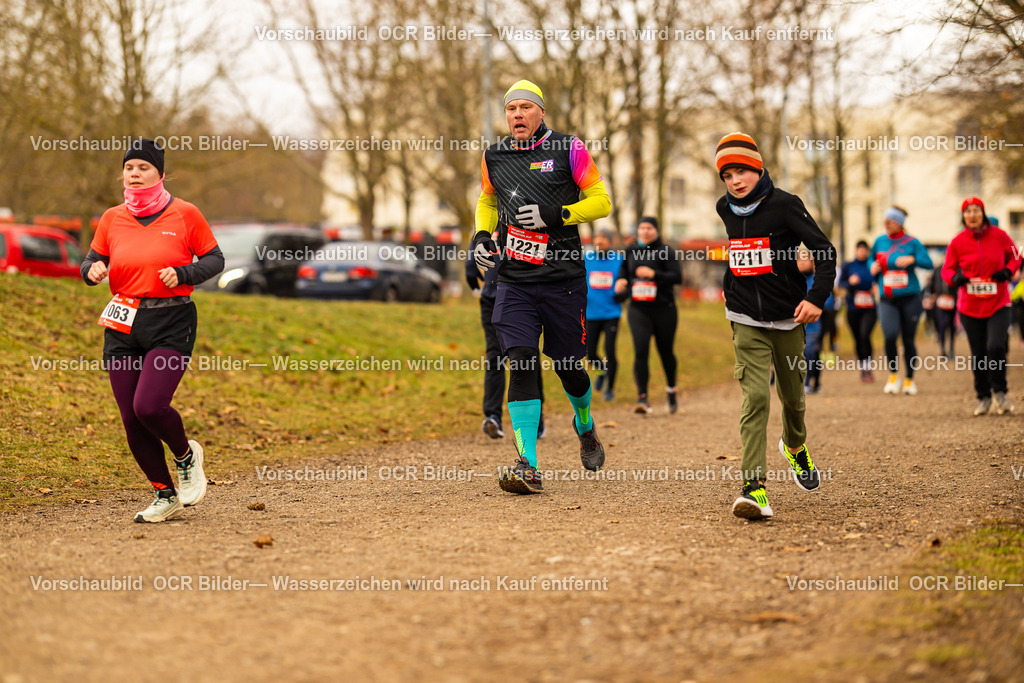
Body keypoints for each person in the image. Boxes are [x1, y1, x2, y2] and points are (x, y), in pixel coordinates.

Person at [473, 79, 612, 494]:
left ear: (541, 112)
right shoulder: (493, 155)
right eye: (511, 108)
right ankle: (527, 465)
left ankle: (584, 423)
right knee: (521, 359)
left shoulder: (570, 149)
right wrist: (482, 235)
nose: (517, 114)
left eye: (525, 107)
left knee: (570, 367)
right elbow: (488, 199)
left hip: (563, 280)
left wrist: (558, 213)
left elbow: (601, 200)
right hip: (514, 280)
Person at [81, 138, 224, 523]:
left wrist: (183, 273)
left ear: (160, 174)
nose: (135, 174)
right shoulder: (112, 217)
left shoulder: (185, 213)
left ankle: (186, 456)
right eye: (129, 168)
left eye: (144, 168)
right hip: (123, 323)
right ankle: (164, 494)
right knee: (130, 416)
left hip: (172, 321)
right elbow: (94, 258)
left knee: (149, 407)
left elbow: (215, 259)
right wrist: (91, 270)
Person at [714, 132, 836, 520]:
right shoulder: (726, 208)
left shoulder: (786, 205)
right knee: (756, 399)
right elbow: (739, 250)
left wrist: (816, 298)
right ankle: (754, 488)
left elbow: (824, 251)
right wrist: (729, 287)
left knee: (793, 399)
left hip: (789, 318)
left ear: (758, 167)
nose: (735, 180)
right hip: (745, 317)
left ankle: (795, 446)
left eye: (742, 171)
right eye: (727, 174)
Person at [941, 197, 1022, 416]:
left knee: (996, 346)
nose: (972, 215)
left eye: (976, 210)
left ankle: (1001, 393)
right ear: (963, 216)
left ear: (983, 214)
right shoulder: (957, 242)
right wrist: (955, 278)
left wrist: (1007, 271)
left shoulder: (1000, 235)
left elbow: (1016, 256)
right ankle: (984, 397)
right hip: (970, 307)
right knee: (979, 353)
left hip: (998, 303)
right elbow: (946, 270)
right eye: (968, 211)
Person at [465, 246, 546, 439]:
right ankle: (493, 416)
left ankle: (536, 416)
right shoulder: (487, 222)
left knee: (526, 356)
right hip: (492, 298)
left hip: (523, 299)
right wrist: (471, 267)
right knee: (495, 356)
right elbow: (476, 245)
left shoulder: (524, 220)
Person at [614, 217, 682, 414]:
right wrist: (621, 282)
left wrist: (654, 274)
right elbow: (624, 273)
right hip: (638, 309)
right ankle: (642, 398)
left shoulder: (666, 251)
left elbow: (677, 277)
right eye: (642, 228)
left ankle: (671, 390)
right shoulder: (630, 250)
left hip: (664, 309)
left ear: (657, 230)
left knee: (665, 352)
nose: (645, 231)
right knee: (641, 351)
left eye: (649, 228)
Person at [870, 206, 933, 395]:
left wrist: (912, 259)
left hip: (910, 298)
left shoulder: (912, 242)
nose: (886, 224)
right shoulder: (880, 241)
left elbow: (928, 263)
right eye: (885, 221)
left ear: (899, 223)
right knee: (889, 335)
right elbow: (871, 260)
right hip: (887, 298)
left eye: (889, 221)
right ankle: (893, 375)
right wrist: (872, 266)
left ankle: (909, 379)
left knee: (908, 339)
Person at [584, 229, 624, 401]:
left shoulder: (619, 260)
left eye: (603, 239)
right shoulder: (587, 259)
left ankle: (610, 390)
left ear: (611, 241)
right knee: (590, 353)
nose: (599, 242)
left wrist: (622, 293)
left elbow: (626, 282)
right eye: (597, 239)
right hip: (591, 314)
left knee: (610, 350)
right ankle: (602, 371)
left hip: (611, 313)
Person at [838, 240, 879, 382]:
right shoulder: (849, 266)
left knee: (865, 334)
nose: (862, 252)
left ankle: (868, 368)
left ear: (868, 251)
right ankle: (863, 368)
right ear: (856, 251)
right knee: (857, 338)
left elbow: (880, 280)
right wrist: (850, 282)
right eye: (859, 249)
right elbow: (840, 283)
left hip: (870, 308)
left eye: (864, 249)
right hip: (853, 308)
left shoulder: (872, 265)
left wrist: (876, 287)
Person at [798, 250, 834, 394]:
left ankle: (809, 382)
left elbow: (829, 302)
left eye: (805, 259)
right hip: (794, 325)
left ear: (812, 263)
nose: (801, 262)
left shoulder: (817, 281)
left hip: (814, 325)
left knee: (810, 352)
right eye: (799, 260)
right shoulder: (791, 280)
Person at [928, 268, 958, 359]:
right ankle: (943, 349)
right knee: (941, 324)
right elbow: (931, 284)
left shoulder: (955, 269)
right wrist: (932, 294)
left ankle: (951, 348)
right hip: (940, 300)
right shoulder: (937, 270)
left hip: (953, 300)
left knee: (952, 325)